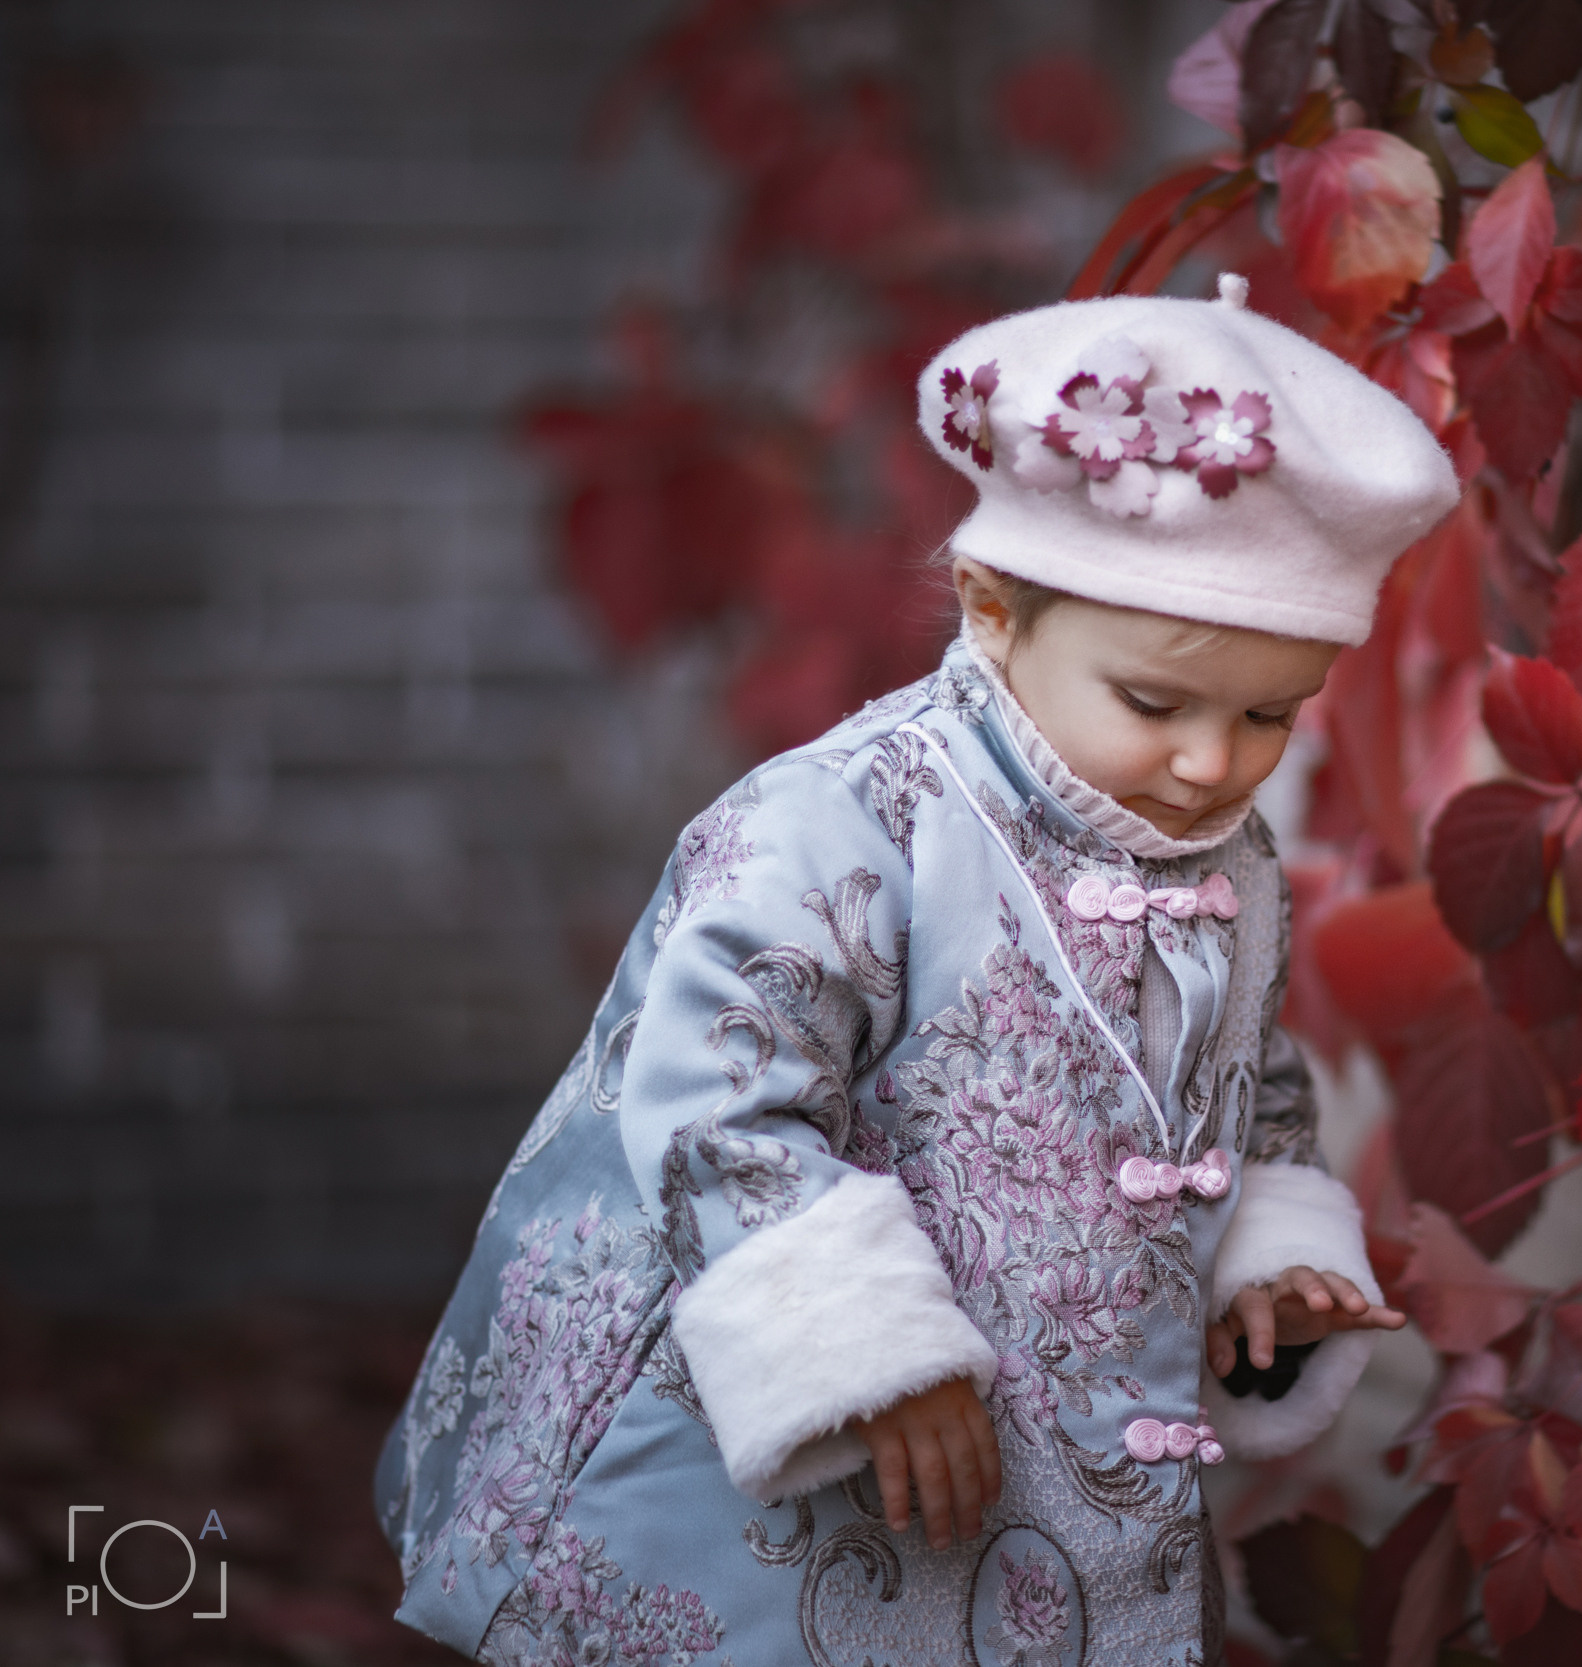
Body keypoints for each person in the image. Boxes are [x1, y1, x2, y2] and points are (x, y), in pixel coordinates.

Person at [374, 273, 1461, 1665]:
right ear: (994, 606)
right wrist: (864, 1355)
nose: (1211, 762)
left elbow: (1240, 1085)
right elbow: (715, 1095)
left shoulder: (1224, 864)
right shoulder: (843, 825)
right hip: (818, 1468)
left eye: (1269, 715)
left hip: (1059, 1463)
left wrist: (1268, 1259)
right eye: (1155, 701)